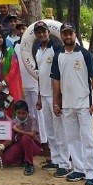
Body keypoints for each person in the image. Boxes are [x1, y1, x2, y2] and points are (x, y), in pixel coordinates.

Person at [51, 22, 93, 185]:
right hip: (67, 105)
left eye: (70, 33)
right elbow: (56, 81)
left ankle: (92, 174)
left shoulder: (86, 55)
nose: (67, 36)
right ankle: (79, 169)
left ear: (75, 34)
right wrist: (56, 102)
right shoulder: (58, 56)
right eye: (64, 34)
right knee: (72, 139)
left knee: (87, 138)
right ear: (61, 36)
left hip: (84, 105)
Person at [33, 20, 67, 174]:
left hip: (55, 95)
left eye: (43, 31)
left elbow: (60, 75)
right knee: (49, 129)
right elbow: (40, 75)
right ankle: (55, 159)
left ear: (48, 32)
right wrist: (39, 97)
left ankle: (65, 163)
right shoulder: (38, 50)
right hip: (44, 94)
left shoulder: (57, 48)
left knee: (59, 129)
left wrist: (58, 98)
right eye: (38, 32)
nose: (41, 34)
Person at [8, 100, 42, 175]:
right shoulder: (14, 121)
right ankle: (22, 158)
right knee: (7, 159)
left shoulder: (32, 119)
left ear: (28, 113)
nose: (21, 116)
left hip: (33, 145)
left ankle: (29, 164)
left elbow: (32, 134)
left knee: (26, 138)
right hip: (20, 144)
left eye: (24, 113)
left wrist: (18, 130)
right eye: (18, 113)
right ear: (15, 113)